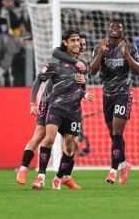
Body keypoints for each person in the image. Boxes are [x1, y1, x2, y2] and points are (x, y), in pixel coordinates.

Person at [16, 36, 88, 187]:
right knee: (41, 136)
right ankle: (24, 169)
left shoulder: (82, 64)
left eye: (82, 44)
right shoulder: (57, 58)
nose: (81, 46)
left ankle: (66, 176)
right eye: (77, 42)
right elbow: (53, 55)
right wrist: (31, 103)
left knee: (72, 143)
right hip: (49, 102)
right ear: (67, 43)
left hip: (69, 107)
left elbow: (80, 88)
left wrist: (84, 86)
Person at [90, 19, 139, 184]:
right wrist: (100, 53)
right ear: (107, 29)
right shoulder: (100, 47)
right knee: (114, 135)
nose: (115, 29)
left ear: (123, 31)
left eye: (119, 27)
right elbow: (92, 71)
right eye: (112, 26)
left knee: (118, 132)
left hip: (123, 93)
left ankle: (113, 171)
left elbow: (138, 70)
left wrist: (126, 54)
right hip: (107, 94)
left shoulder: (130, 47)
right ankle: (124, 165)